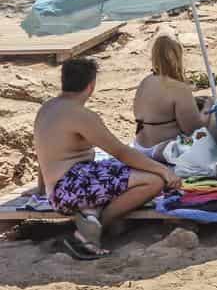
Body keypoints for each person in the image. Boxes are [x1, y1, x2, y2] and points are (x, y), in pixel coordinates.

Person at [34, 57, 181, 260]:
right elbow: (121, 152)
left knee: (134, 170)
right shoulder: (80, 115)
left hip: (58, 189)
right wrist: (163, 170)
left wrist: (42, 190)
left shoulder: (47, 108)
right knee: (153, 180)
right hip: (70, 187)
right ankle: (94, 229)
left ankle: (91, 219)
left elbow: (42, 155)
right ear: (91, 85)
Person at [131, 35, 212, 161]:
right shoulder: (179, 88)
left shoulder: (145, 82)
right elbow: (194, 129)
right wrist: (208, 106)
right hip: (166, 150)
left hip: (140, 146)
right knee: (214, 127)